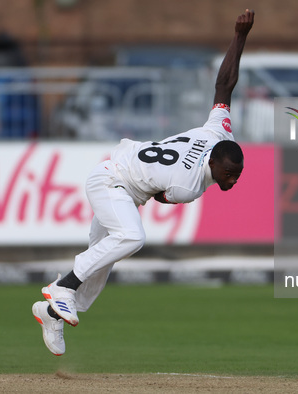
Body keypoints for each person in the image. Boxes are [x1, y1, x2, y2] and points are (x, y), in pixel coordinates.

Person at [32, 9, 255, 356]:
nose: (233, 180)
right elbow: (163, 197)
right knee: (132, 236)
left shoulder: (218, 130)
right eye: (228, 174)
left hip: (123, 181)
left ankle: (50, 313)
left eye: (237, 175)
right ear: (213, 161)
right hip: (111, 181)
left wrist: (240, 36)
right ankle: (61, 288)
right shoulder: (189, 187)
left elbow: (224, 84)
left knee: (102, 263)